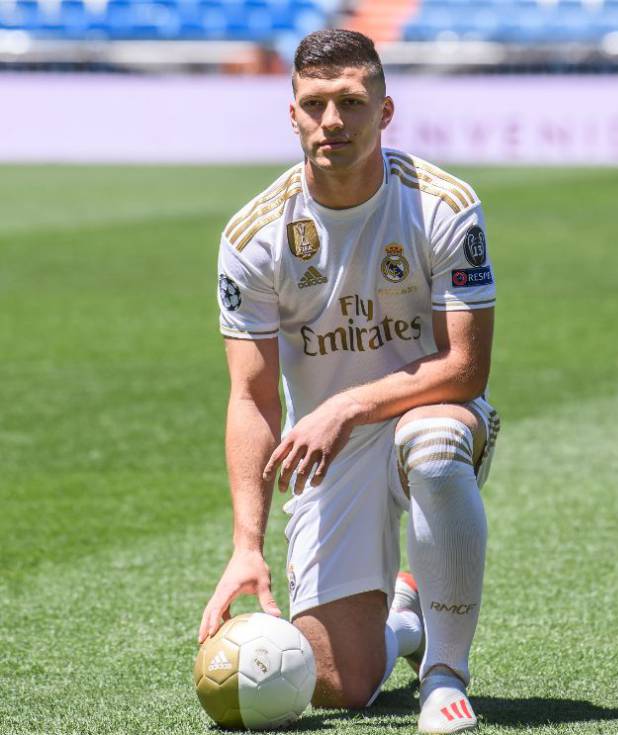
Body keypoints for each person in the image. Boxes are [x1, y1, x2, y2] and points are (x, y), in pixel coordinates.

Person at [198, 29, 499, 734]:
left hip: (435, 412)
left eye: (351, 102)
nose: (331, 120)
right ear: (292, 114)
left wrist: (348, 405)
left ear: (384, 111)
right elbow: (252, 397)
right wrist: (246, 544)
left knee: (431, 444)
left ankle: (444, 676)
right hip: (326, 452)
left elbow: (466, 367)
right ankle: (405, 620)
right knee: (339, 684)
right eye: (314, 104)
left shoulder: (442, 204)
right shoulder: (253, 237)